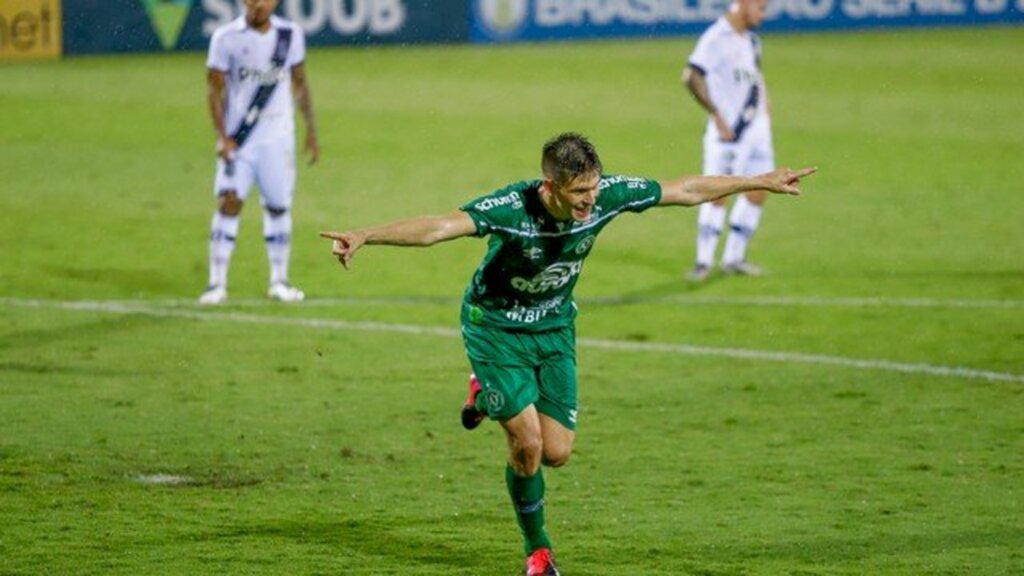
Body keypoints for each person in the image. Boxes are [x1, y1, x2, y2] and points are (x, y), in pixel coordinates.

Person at [321, 133, 814, 574]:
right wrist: (367, 235)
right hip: (495, 328)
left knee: (557, 453)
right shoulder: (511, 209)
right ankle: (539, 553)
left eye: (594, 188)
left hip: (555, 329)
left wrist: (758, 181)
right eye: (579, 192)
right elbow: (438, 228)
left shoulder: (603, 197)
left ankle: (485, 396)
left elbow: (682, 191)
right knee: (528, 446)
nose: (590, 200)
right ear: (550, 185)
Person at [199, 0, 319, 305]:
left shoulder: (290, 35)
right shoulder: (225, 38)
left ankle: (279, 281)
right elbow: (214, 90)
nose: (258, 5)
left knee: (278, 207)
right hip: (240, 141)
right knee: (229, 202)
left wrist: (311, 131)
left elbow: (300, 83)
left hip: (278, 140)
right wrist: (222, 137)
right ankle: (216, 284)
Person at [681, 0, 774, 281]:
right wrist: (717, 116)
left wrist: (766, 105)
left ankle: (734, 257)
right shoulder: (715, 38)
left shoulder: (751, 40)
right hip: (730, 132)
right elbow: (690, 76)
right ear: (743, 4)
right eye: (760, 7)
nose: (763, 14)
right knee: (717, 192)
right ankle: (703, 262)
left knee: (760, 189)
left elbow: (755, 76)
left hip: (758, 130)